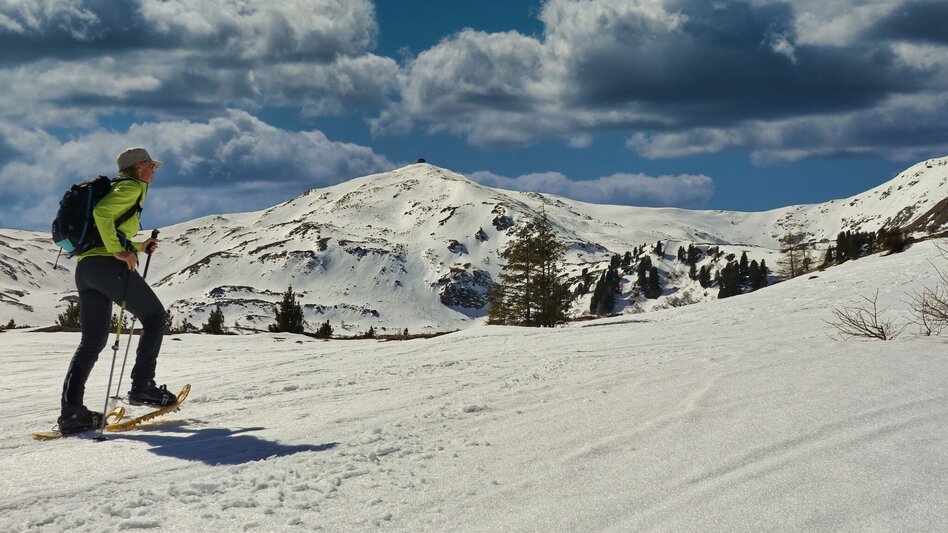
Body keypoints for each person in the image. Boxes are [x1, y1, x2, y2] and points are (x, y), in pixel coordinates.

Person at [58, 147, 177, 434]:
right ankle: (142, 387)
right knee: (154, 317)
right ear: (138, 167)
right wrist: (119, 252)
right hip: (107, 266)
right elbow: (102, 214)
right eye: (151, 165)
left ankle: (72, 413)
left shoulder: (118, 187)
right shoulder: (131, 186)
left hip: (87, 270)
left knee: (92, 342)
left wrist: (136, 247)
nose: (154, 170)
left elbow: (104, 229)